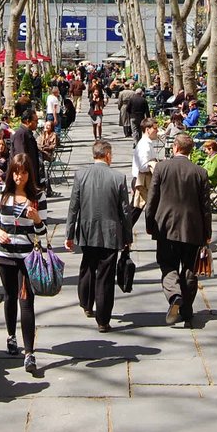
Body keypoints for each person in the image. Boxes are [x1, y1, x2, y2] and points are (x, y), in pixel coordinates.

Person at [0, 153, 47, 373]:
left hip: (28, 257)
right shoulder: (0, 193)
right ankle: (11, 337)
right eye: (17, 172)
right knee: (9, 296)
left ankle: (29, 353)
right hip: (4, 255)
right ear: (11, 173)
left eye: (24, 172)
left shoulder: (38, 196)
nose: (20, 177)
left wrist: (37, 219)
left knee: (26, 301)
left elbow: (43, 230)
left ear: (30, 173)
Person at [144, 133, 212, 328]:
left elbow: (152, 199)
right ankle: (187, 312)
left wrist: (150, 224)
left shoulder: (162, 168)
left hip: (166, 227)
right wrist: (207, 232)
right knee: (190, 269)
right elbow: (205, 207)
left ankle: (174, 294)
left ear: (175, 147)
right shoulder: (200, 172)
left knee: (167, 264)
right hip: (192, 228)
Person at [65, 140, 132, 333]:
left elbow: (73, 207)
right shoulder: (118, 177)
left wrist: (69, 233)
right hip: (110, 234)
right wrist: (127, 236)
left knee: (88, 266)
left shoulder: (81, 176)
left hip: (87, 231)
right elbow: (125, 211)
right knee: (105, 276)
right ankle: (103, 319)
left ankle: (86, 303)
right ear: (108, 155)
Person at [131, 118, 161, 226]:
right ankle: (122, 234)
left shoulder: (147, 143)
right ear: (147, 129)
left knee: (137, 209)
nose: (157, 131)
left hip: (143, 180)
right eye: (155, 128)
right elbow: (143, 167)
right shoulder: (144, 145)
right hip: (141, 180)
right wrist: (155, 164)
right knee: (135, 209)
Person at [10, 109, 46, 203]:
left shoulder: (27, 133)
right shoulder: (20, 134)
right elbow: (20, 158)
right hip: (23, 177)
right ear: (27, 121)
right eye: (35, 121)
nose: (37, 123)